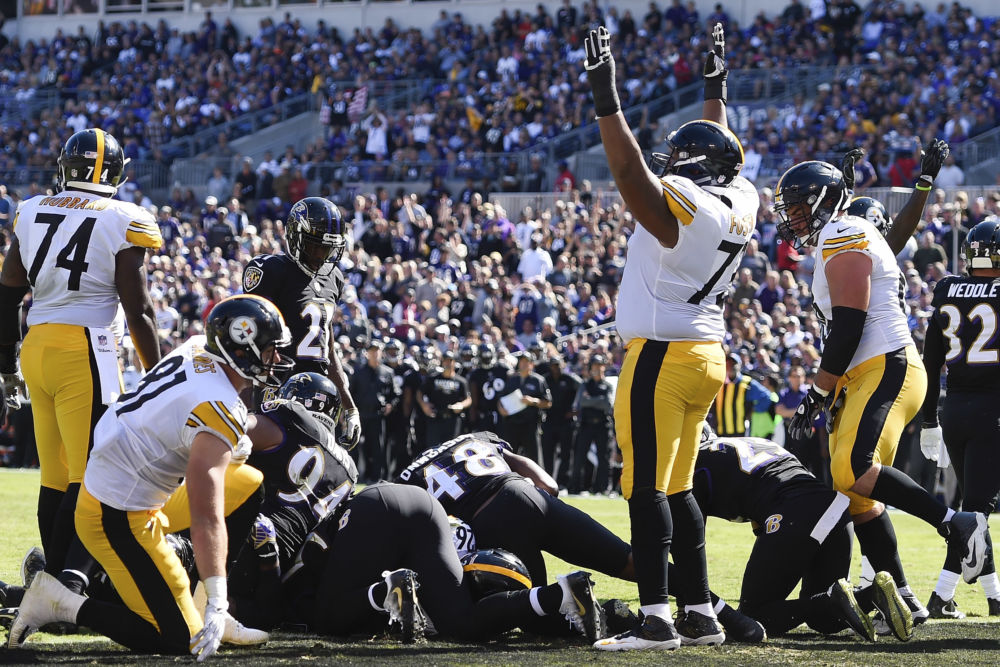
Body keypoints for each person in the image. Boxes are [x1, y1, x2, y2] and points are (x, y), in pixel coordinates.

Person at [585, 22, 756, 650]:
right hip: (707, 355)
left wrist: (607, 97)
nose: (670, 168)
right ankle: (701, 612)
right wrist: (716, 91)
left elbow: (633, 179)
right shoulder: (740, 197)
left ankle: (658, 618)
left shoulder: (683, 203)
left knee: (644, 488)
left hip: (661, 356)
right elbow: (724, 150)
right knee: (678, 488)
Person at [6, 295, 288, 659]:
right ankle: (59, 603)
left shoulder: (200, 348)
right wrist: (220, 596)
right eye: (268, 350)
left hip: (131, 481)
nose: (276, 359)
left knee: (249, 483)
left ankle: (201, 605)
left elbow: (181, 410)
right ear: (242, 349)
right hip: (117, 512)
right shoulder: (219, 407)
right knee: (180, 640)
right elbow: (206, 516)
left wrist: (228, 437)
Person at [777, 160, 990, 642]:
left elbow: (850, 325)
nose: (791, 217)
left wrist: (817, 390)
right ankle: (909, 598)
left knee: (853, 467)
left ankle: (957, 523)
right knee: (854, 492)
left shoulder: (844, 231)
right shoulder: (846, 229)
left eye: (796, 206)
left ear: (822, 202)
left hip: (882, 364)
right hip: (871, 369)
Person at [0, 128, 163, 599]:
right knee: (93, 472)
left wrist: (6, 362)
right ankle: (72, 581)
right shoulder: (123, 216)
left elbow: (9, 289)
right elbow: (139, 308)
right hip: (85, 348)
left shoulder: (31, 210)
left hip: (37, 346)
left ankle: (53, 577)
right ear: (115, 173)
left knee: (54, 475)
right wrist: (158, 374)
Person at [283, 482, 605, 643]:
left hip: (373, 506)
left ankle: (386, 590)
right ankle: (559, 594)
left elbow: (314, 553)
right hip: (426, 504)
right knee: (460, 624)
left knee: (328, 619)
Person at [694, 427, 878, 642]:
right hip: (835, 509)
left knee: (755, 615)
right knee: (825, 620)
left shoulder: (697, 463)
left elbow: (690, 546)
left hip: (795, 513)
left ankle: (836, 599)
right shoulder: (748, 442)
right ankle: (872, 595)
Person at [230, 371, 357, 631]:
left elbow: (230, 430)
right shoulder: (351, 470)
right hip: (281, 569)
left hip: (246, 543)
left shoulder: (292, 416)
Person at [920, 219, 1000, 619]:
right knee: (977, 516)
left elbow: (930, 361)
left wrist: (928, 417)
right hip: (993, 411)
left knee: (973, 512)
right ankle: (941, 594)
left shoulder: (948, 288)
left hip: (955, 410)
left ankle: (994, 594)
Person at [242, 196, 362, 449]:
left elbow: (326, 348)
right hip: (277, 389)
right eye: (315, 246)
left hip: (318, 392)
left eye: (328, 248)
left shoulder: (334, 278)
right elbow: (251, 341)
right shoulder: (272, 270)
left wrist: (349, 406)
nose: (321, 255)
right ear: (295, 237)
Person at [349, 340, 396, 482]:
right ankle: (354, 476)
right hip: (361, 415)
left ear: (381, 353)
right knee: (357, 447)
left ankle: (376, 478)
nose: (374, 354)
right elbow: (351, 393)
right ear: (367, 353)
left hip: (378, 415)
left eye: (377, 351)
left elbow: (394, 394)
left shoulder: (388, 372)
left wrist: (390, 404)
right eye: (372, 351)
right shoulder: (358, 372)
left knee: (377, 448)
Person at [572, 354, 615, 495]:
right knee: (580, 456)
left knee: (604, 458)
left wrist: (591, 400)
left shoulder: (608, 385)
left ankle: (602, 488)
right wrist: (598, 400)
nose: (596, 368)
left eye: (599, 365)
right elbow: (581, 402)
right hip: (586, 424)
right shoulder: (585, 384)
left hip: (603, 425)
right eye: (594, 366)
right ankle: (576, 487)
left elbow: (607, 404)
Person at [498, 351, 551, 463]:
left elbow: (548, 402)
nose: (523, 364)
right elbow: (501, 399)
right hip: (512, 424)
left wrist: (533, 401)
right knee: (508, 458)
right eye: (521, 362)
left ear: (532, 364)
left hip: (530, 426)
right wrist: (501, 410)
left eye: (526, 362)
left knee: (535, 461)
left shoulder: (538, 380)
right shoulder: (512, 379)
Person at [711, 354, 775, 437]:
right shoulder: (719, 383)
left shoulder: (747, 383)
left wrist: (753, 410)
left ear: (740, 365)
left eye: (734, 363)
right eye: (728, 363)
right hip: (720, 430)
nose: (730, 366)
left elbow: (767, 397)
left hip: (740, 431)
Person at [541, 353, 580, 488]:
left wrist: (576, 410)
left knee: (566, 453)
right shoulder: (545, 379)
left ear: (562, 365)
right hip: (549, 420)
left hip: (565, 421)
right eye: (552, 365)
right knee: (547, 453)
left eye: (557, 365)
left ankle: (563, 482)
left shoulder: (569, 379)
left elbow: (583, 390)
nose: (555, 368)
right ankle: (547, 480)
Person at [419, 350, 471, 448]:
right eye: (445, 361)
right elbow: (419, 393)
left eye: (450, 361)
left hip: (453, 419)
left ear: (454, 362)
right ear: (442, 362)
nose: (448, 363)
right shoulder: (432, 379)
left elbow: (468, 399)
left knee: (451, 450)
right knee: (432, 450)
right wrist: (424, 405)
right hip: (435, 418)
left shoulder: (461, 381)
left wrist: (461, 405)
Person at [468, 342, 509, 433]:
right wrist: (473, 422)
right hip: (485, 416)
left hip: (504, 414)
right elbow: (474, 400)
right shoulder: (476, 374)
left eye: (488, 356)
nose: (486, 358)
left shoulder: (504, 369)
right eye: (484, 356)